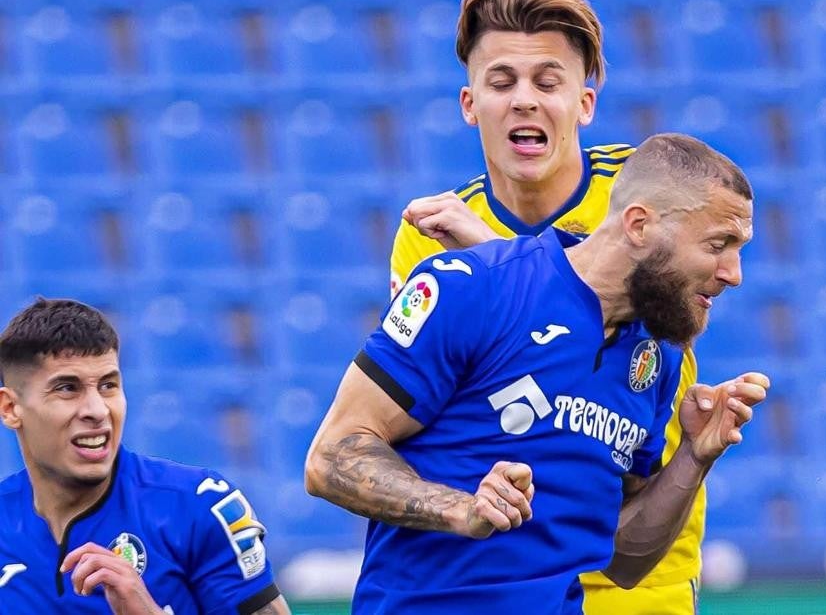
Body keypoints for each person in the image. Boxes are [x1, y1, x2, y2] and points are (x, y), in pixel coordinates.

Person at [305, 133, 768, 613]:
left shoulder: (657, 360)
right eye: (720, 244)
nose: (734, 273)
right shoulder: (470, 288)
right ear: (638, 225)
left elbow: (625, 563)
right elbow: (330, 456)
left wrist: (693, 456)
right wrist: (460, 508)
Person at [389, 0, 712, 615]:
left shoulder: (642, 194)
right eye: (502, 81)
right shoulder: (425, 236)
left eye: (548, 82)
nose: (525, 101)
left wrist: (486, 253)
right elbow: (457, 399)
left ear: (585, 103)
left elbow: (638, 331)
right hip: (509, 566)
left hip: (635, 559)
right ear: (469, 103)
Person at [0, 298, 290, 615]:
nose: (97, 410)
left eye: (108, 385)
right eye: (68, 388)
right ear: (11, 409)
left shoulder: (197, 506)